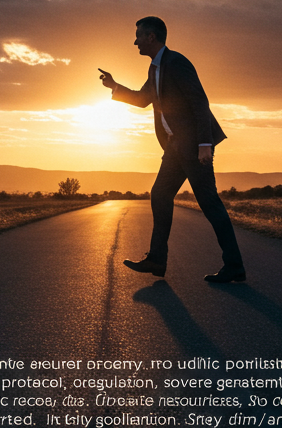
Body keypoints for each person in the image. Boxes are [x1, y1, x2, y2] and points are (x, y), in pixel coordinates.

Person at [98, 16, 246, 283]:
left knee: (210, 204)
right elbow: (143, 99)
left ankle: (234, 266)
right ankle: (157, 259)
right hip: (175, 146)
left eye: (138, 36)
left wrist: (204, 144)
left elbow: (200, 102)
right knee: (160, 194)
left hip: (192, 145)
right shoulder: (155, 68)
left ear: (151, 37)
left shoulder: (177, 62)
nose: (135, 41)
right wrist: (115, 87)